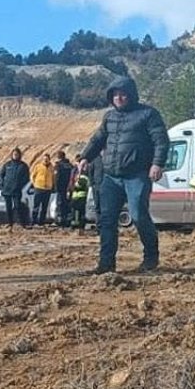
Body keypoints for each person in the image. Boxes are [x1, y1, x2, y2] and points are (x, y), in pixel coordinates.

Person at [79, 77, 170, 274]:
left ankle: (151, 257)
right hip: (110, 176)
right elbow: (98, 139)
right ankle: (106, 264)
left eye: (122, 94)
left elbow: (161, 140)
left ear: (131, 94)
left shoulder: (148, 114)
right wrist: (85, 157)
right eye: (115, 94)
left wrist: (157, 164)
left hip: (137, 175)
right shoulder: (109, 117)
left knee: (138, 215)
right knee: (106, 220)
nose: (119, 98)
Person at [1, 148, 31, 228]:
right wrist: (3, 184)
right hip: (7, 190)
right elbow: (1, 175)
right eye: (14, 154)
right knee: (8, 207)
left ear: (19, 155)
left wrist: (20, 185)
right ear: (12, 155)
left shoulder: (23, 166)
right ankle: (10, 223)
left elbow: (26, 178)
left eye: (17, 154)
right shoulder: (7, 165)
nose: (15, 155)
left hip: (17, 190)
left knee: (18, 206)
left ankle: (21, 223)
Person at [30, 152, 54, 226]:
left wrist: (52, 185)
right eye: (44, 159)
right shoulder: (38, 166)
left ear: (49, 160)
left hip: (47, 189)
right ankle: (34, 221)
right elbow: (32, 176)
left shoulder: (52, 167)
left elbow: (53, 177)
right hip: (39, 188)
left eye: (47, 159)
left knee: (44, 206)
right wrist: (34, 184)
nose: (45, 160)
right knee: (36, 206)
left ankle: (41, 222)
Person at [53, 151, 75, 226]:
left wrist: (56, 187)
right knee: (68, 204)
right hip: (69, 188)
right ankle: (67, 220)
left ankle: (60, 220)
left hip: (61, 188)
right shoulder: (70, 166)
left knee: (60, 204)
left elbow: (57, 178)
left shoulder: (58, 166)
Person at [69, 166, 90, 232]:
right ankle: (79, 225)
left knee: (76, 212)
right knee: (78, 212)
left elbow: (75, 186)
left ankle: (76, 226)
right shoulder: (84, 178)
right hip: (79, 196)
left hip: (78, 196)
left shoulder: (81, 178)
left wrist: (74, 186)